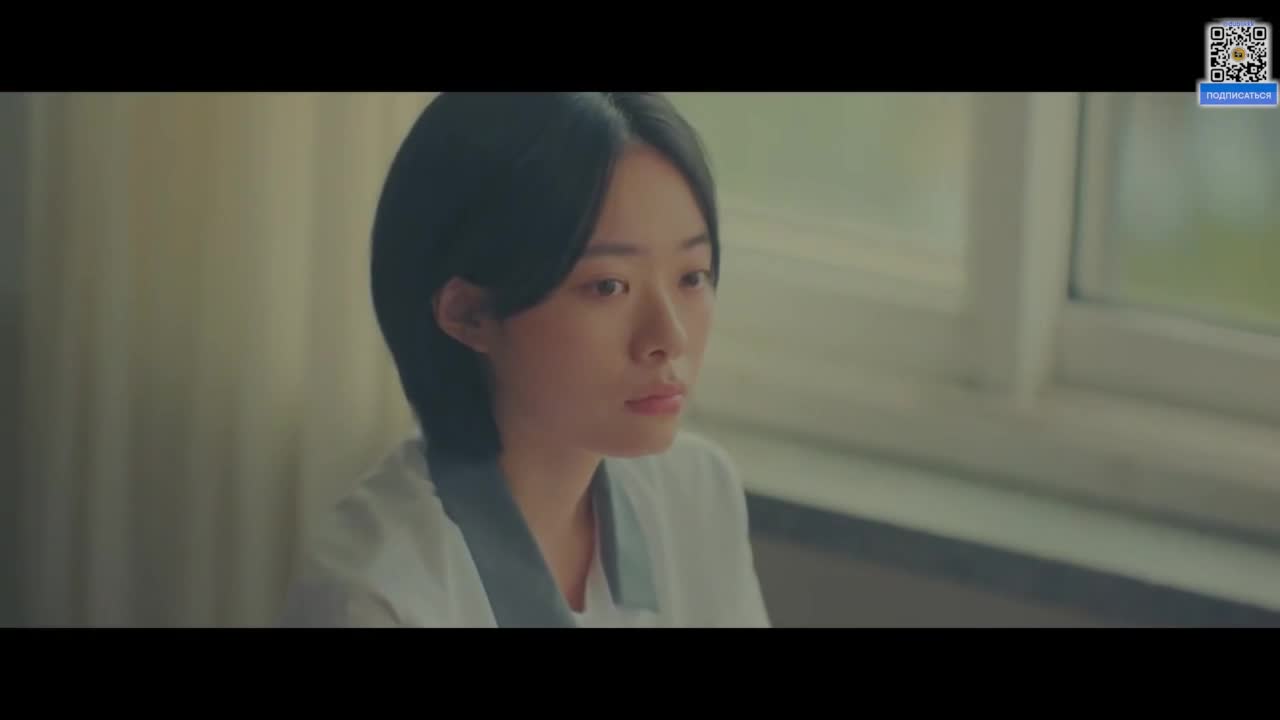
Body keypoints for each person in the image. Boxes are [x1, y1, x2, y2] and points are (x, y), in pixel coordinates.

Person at [278, 92, 771, 628]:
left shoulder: (697, 491)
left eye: (691, 277)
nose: (669, 337)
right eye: (608, 286)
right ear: (469, 313)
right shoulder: (377, 597)